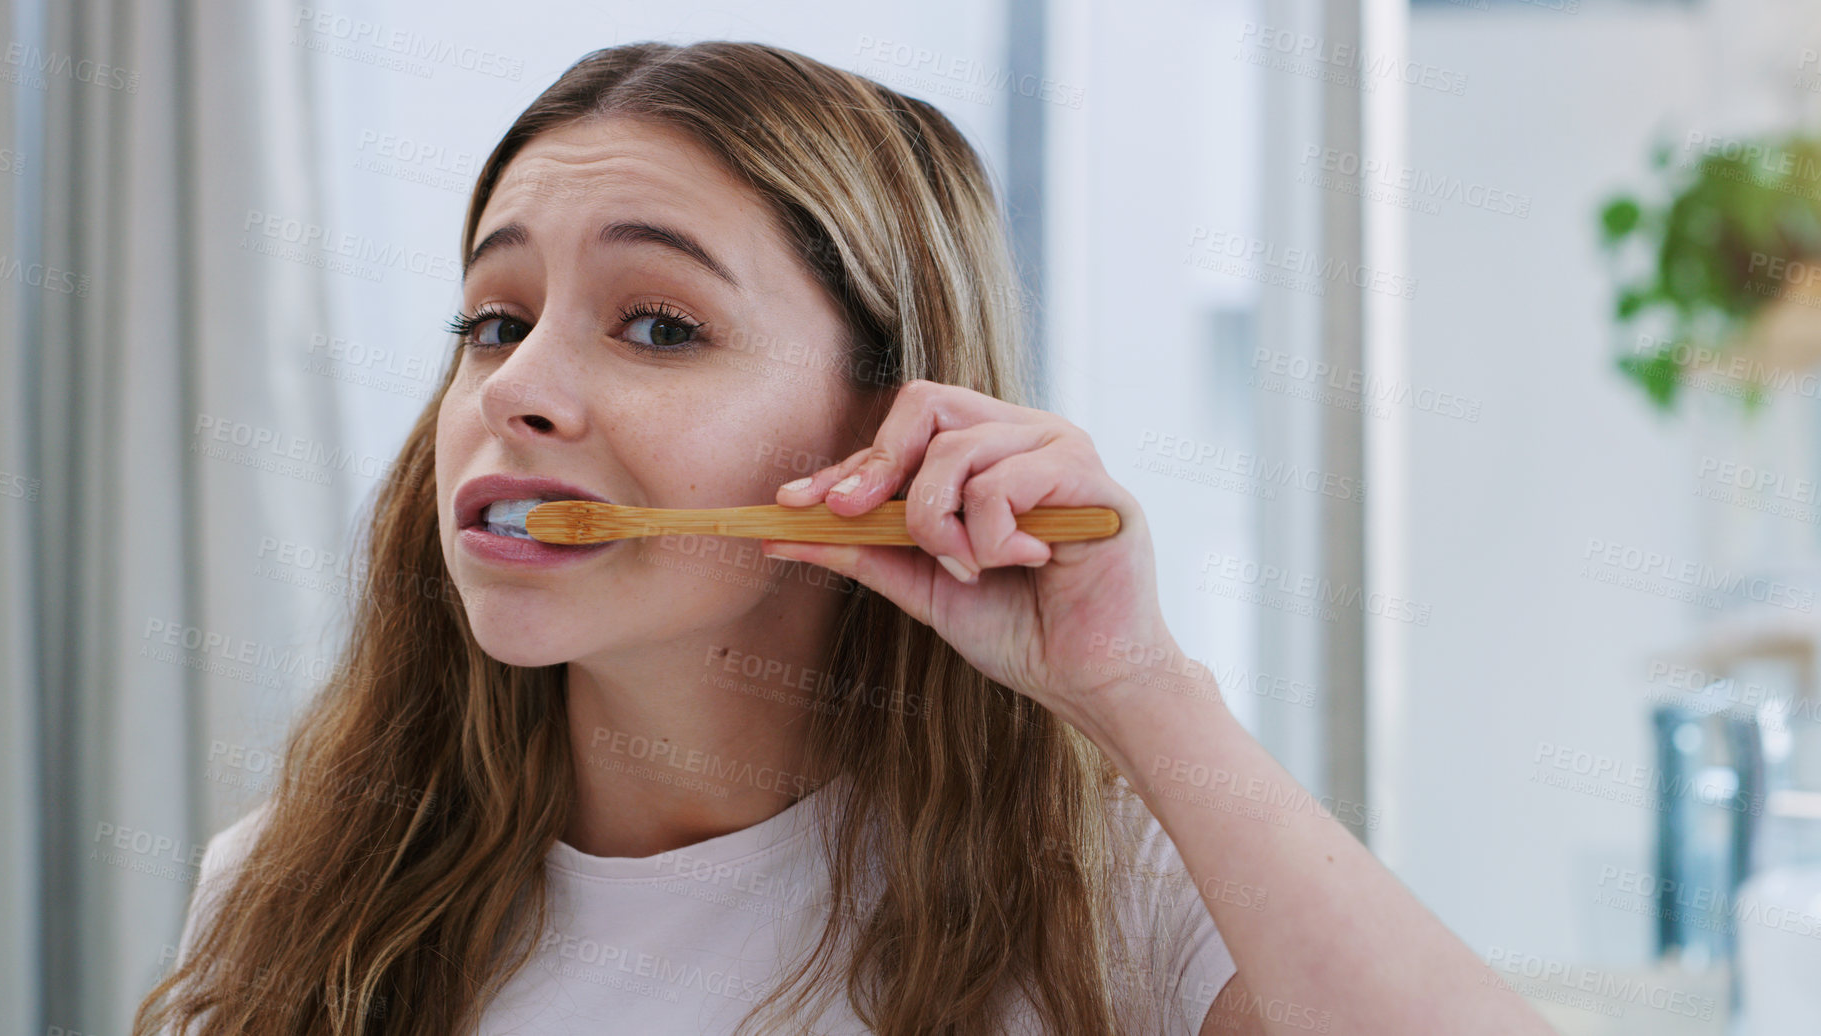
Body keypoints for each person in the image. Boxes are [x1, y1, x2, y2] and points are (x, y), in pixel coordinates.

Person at [133, 39, 1555, 1036]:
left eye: (656, 324)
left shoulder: (1107, 901)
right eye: (494, 319)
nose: (513, 388)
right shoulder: (286, 895)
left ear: (878, 434)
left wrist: (1139, 686)